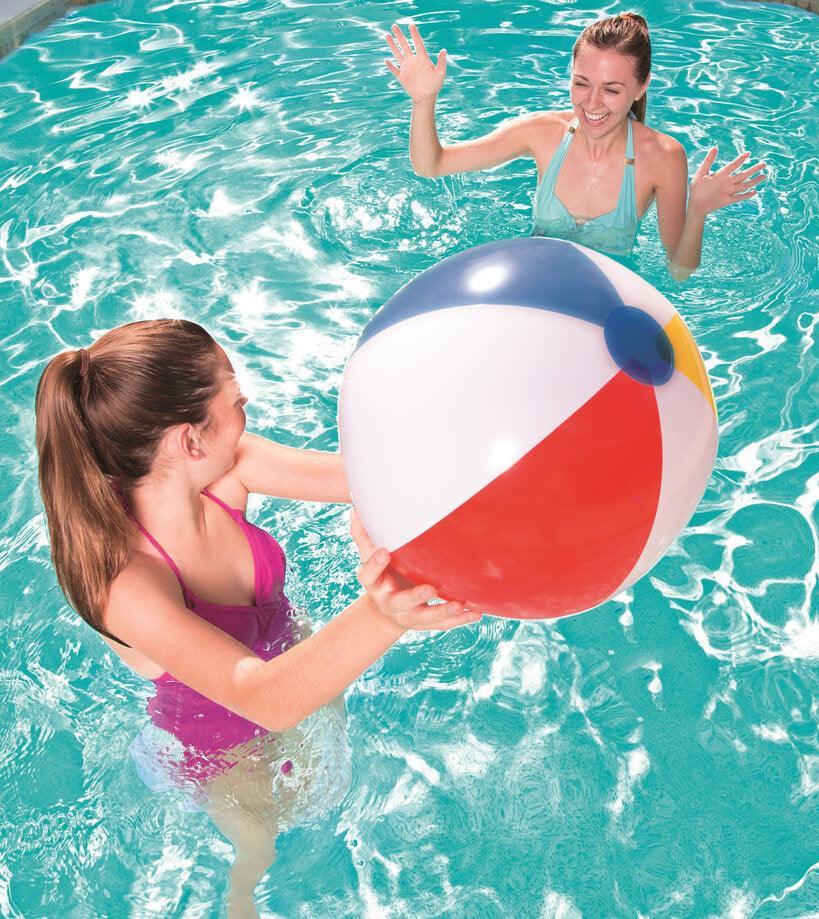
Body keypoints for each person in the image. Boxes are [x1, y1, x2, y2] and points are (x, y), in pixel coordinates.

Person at [34, 318, 481, 919]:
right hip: (221, 748)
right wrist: (384, 613)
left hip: (299, 668)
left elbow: (365, 482)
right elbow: (262, 698)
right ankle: (239, 899)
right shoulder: (129, 586)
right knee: (262, 846)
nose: (248, 408)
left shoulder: (228, 469)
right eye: (236, 399)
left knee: (330, 769)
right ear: (191, 440)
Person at [384, 13, 768, 280]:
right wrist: (423, 101)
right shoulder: (542, 132)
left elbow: (678, 272)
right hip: (533, 280)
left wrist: (697, 210)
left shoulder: (662, 158)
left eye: (612, 90)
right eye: (581, 83)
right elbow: (431, 165)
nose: (592, 103)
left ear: (641, 87)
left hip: (609, 300)